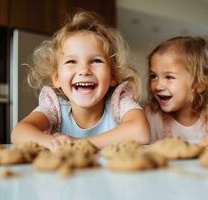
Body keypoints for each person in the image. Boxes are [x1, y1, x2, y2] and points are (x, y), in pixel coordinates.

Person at [11, 11, 150, 151]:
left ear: (112, 76)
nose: (84, 70)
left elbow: (141, 131)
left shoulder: (118, 102)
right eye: (71, 61)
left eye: (96, 61)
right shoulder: (55, 107)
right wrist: (50, 142)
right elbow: (19, 132)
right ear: (57, 78)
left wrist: (82, 144)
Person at [145, 36, 208, 142]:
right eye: (154, 76)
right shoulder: (152, 116)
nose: (158, 86)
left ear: (200, 84)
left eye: (169, 77)